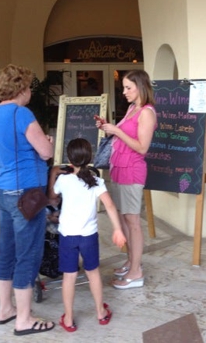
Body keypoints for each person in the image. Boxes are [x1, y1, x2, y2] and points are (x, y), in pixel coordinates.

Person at [0, 64, 55, 336]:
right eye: (27, 87)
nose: (29, 93)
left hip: (2, 190)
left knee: (7, 251)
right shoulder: (21, 113)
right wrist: (46, 140)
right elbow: (46, 152)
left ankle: (6, 309)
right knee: (28, 254)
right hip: (25, 194)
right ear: (22, 88)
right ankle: (24, 319)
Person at [50, 138, 126, 332]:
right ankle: (100, 312)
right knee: (93, 273)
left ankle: (68, 318)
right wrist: (117, 229)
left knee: (70, 276)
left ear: (69, 158)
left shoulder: (63, 180)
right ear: (90, 158)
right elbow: (110, 205)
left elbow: (52, 196)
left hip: (68, 236)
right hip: (88, 236)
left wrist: (53, 173)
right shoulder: (96, 181)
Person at [95, 70, 156, 289]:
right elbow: (122, 134)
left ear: (140, 87)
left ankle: (136, 271)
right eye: (124, 87)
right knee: (124, 220)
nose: (124, 92)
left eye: (128, 87)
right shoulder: (132, 109)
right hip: (119, 169)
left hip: (132, 171)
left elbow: (142, 147)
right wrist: (108, 128)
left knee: (133, 222)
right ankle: (132, 261)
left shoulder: (147, 113)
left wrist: (117, 132)